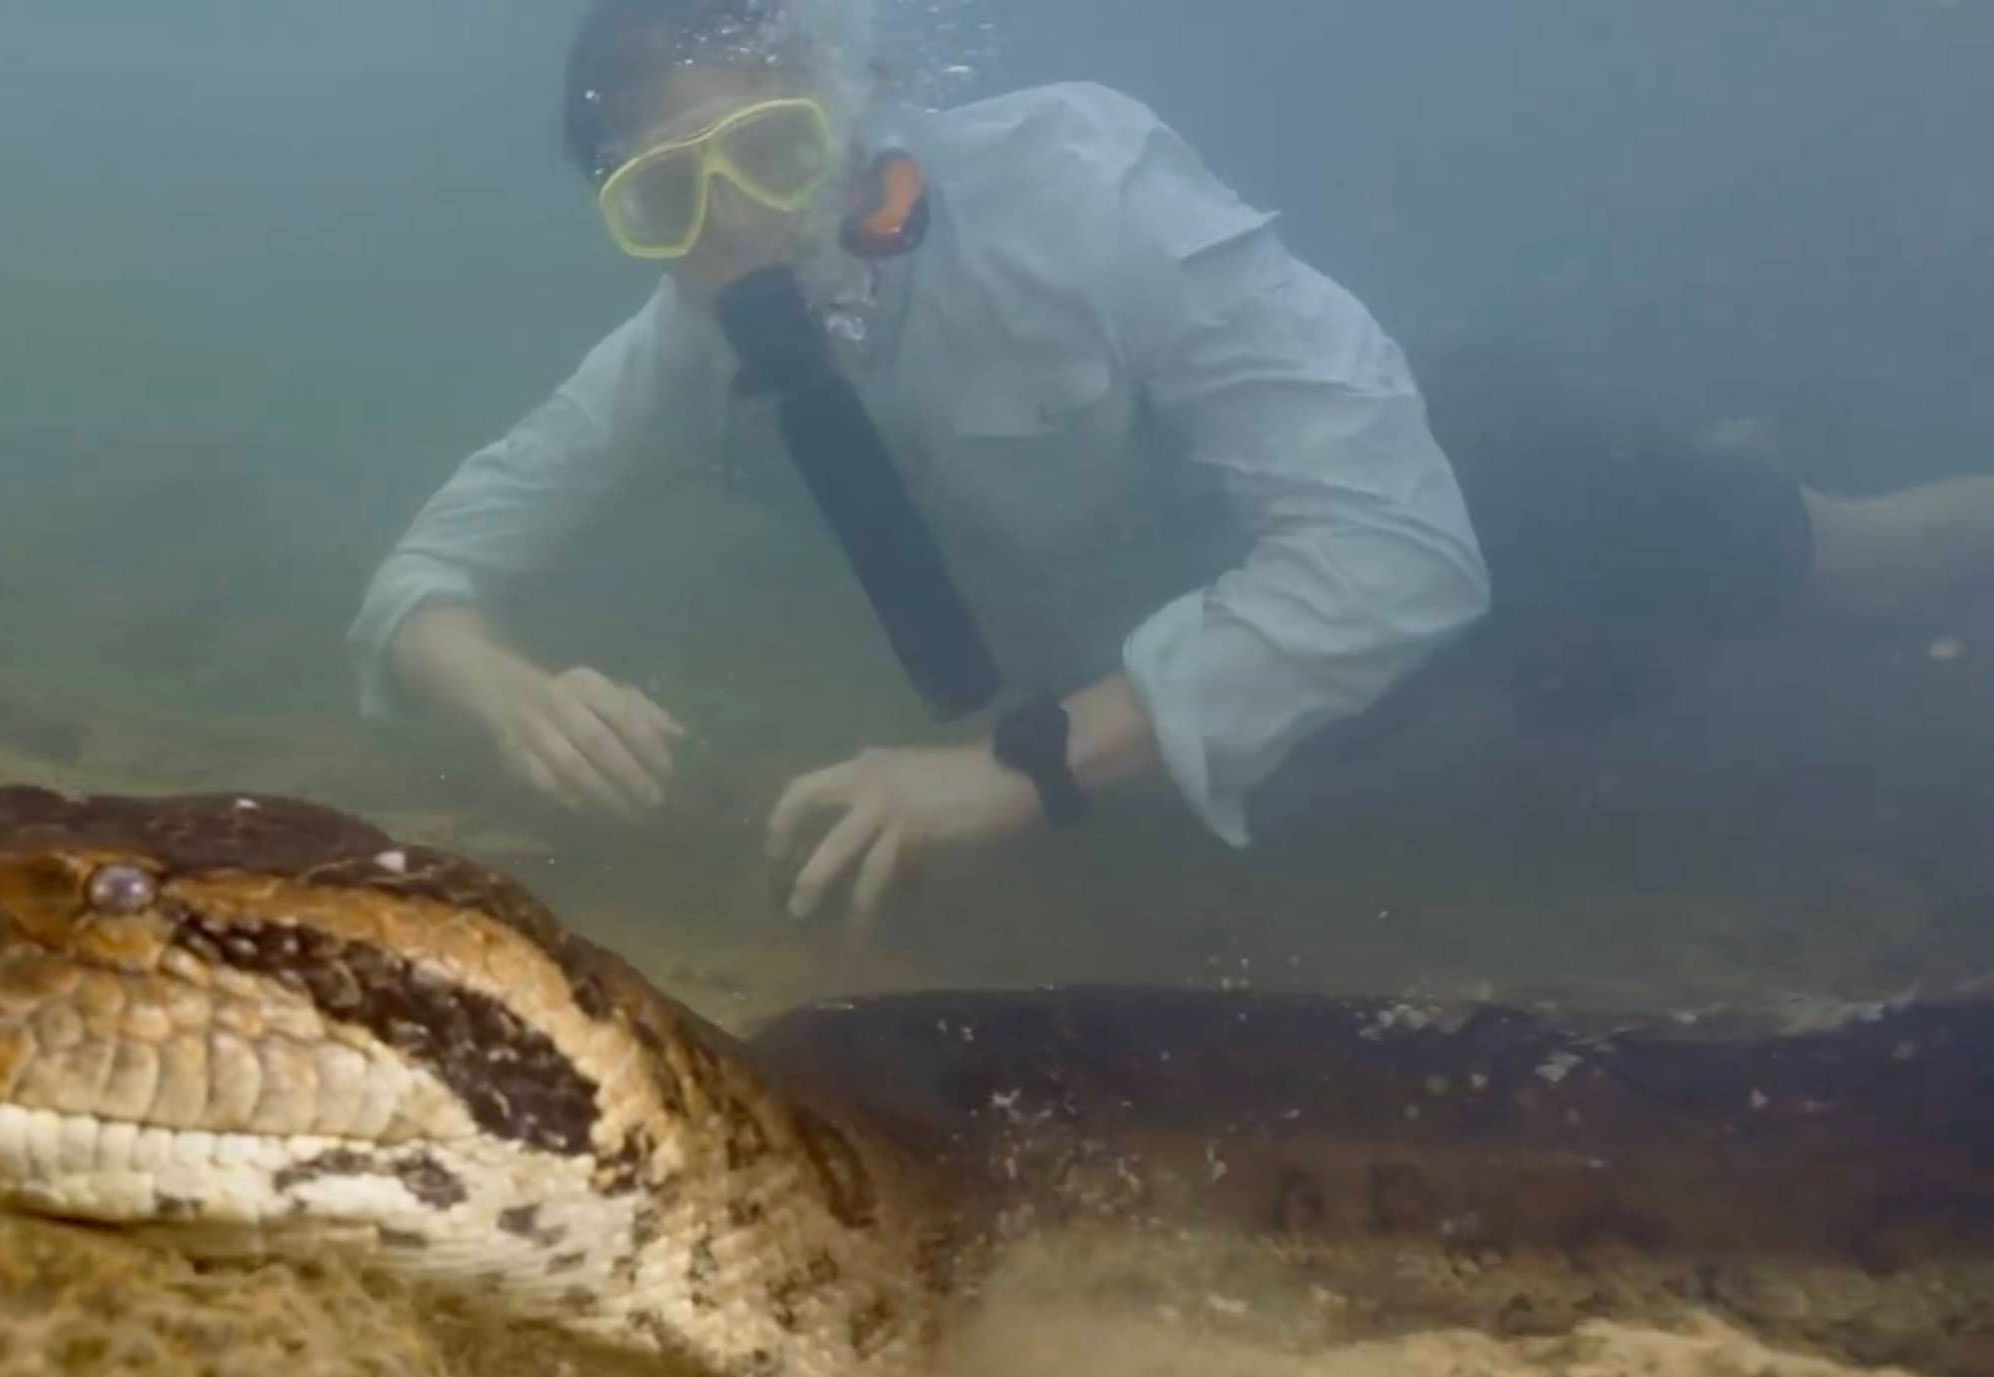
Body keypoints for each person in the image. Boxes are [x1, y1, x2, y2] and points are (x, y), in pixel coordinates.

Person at [347, 0, 1994, 929]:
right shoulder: (691, 343)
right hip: (1243, 677)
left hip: (1474, 485)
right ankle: (1715, 451)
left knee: (1847, 562)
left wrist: (1016, 773)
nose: (751, 230)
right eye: (669, 203)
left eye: (772, 155)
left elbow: (1395, 549)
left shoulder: (1081, 192)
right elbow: (426, 575)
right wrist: (496, 684)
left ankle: (1743, 473)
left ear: (854, 113)